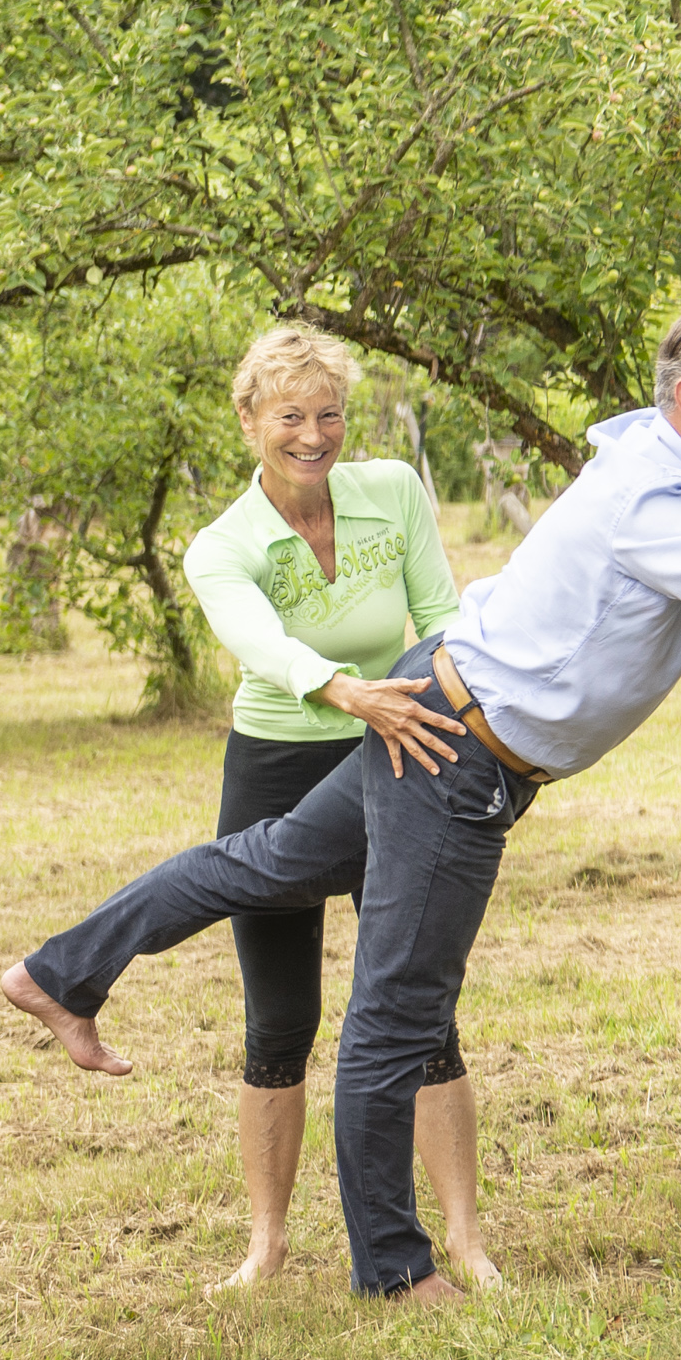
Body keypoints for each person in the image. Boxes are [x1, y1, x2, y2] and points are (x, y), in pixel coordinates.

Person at [0, 241, 681, 1302]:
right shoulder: (655, 500)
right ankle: (394, 1272)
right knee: (398, 1009)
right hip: (456, 751)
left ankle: (58, 973)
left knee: (263, 865)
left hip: (438, 703)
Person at [180, 324, 493, 1292]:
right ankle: (267, 1243)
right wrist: (344, 688)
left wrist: (461, 714)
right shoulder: (222, 545)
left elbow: (441, 615)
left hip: (399, 745)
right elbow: (261, 644)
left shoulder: (392, 490)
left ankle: (465, 1239)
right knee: (280, 1020)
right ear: (248, 420)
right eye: (290, 416)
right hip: (277, 763)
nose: (312, 435)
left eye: (329, 414)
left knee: (419, 1008)